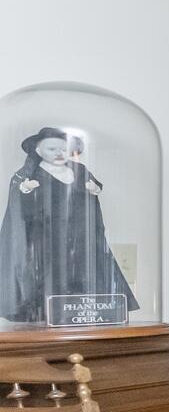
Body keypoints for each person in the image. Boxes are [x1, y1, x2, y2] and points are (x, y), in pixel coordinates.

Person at [1, 127, 138, 325]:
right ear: (38, 152)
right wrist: (26, 190)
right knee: (51, 272)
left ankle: (83, 306)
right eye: (51, 149)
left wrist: (94, 188)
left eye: (63, 149)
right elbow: (20, 210)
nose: (58, 153)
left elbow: (95, 187)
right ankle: (45, 310)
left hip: (80, 233)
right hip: (47, 238)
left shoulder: (79, 170)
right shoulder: (32, 173)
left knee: (82, 267)